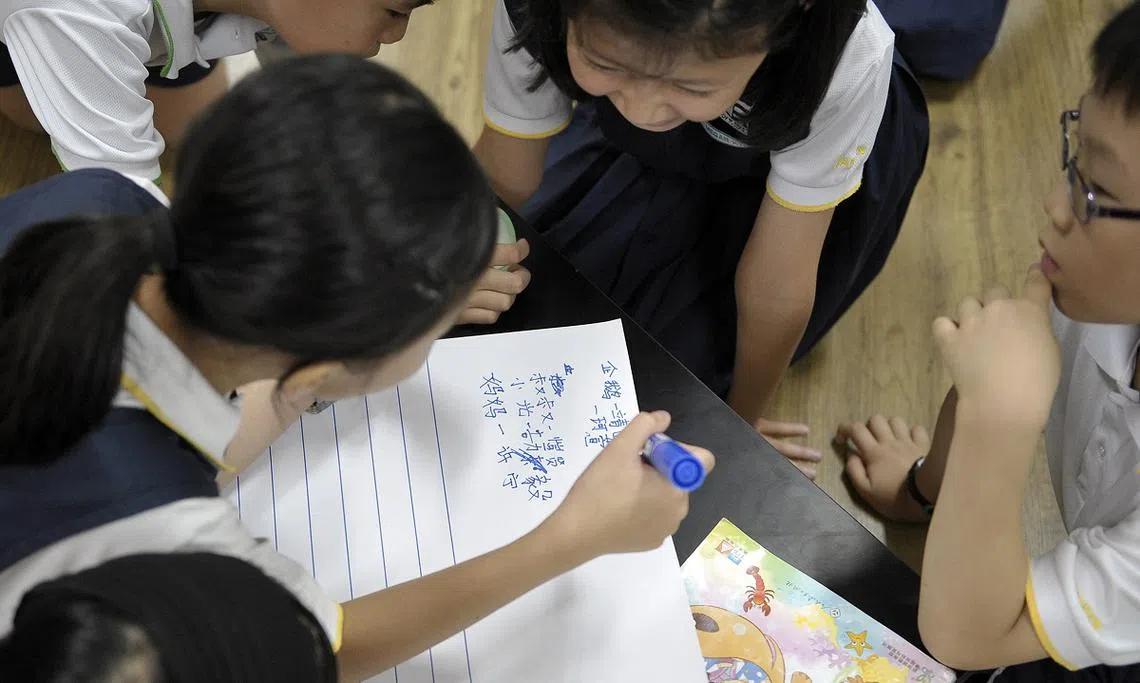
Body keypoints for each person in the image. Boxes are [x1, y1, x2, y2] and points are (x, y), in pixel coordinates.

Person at [0, 54, 713, 682]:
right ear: (323, 370)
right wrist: (572, 537)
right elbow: (321, 648)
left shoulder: (96, 201)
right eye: (427, 332)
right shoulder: (175, 555)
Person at [473, 0, 929, 478]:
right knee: (531, 298)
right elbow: (507, 173)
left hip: (792, 162)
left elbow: (777, 285)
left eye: (691, 87)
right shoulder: (536, 8)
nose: (642, 110)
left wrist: (738, 421)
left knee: (674, 396)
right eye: (602, 63)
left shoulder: (843, 61)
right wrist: (453, 268)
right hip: (654, 135)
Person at [835, 2, 1140, 679]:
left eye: (1096, 193)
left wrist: (1000, 423)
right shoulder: (1101, 284)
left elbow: (967, 635)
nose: (1057, 207)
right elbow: (988, 367)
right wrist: (926, 485)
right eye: (1076, 156)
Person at [0, 0, 430, 185]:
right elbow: (123, 207)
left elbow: (315, 105)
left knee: (194, 123)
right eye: (394, 11)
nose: (395, 36)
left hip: (158, 23)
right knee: (31, 114)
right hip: (51, 16)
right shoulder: (77, 10)